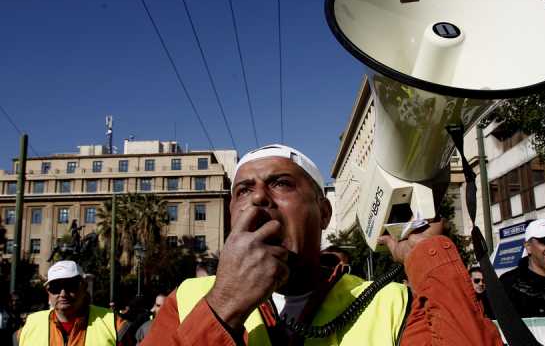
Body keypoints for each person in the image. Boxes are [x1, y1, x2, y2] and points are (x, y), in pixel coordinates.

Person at [142, 144, 501, 345]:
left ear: (324, 213)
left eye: (281, 184)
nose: (259, 199)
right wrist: (223, 308)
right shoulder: (188, 299)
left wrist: (427, 256)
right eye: (244, 190)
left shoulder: (387, 303)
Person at [15, 260, 133, 346]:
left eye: (70, 285)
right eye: (56, 287)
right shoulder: (29, 326)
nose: (63, 293)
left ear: (84, 287)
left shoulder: (114, 324)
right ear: (48, 292)